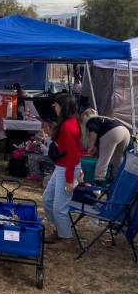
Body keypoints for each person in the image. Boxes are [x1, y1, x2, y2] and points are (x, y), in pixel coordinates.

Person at [42, 93, 82, 245]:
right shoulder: (68, 123)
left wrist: (70, 179)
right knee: (47, 199)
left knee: (60, 207)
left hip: (67, 169)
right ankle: (58, 230)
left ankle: (66, 238)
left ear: (63, 107)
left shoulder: (69, 126)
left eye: (56, 105)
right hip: (62, 167)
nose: (54, 107)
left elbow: (72, 155)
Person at [80, 108, 132, 184]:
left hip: (113, 133)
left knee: (103, 160)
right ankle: (115, 180)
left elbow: (93, 132)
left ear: (85, 116)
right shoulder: (103, 119)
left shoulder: (91, 120)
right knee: (117, 159)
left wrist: (91, 146)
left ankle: (99, 182)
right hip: (125, 132)